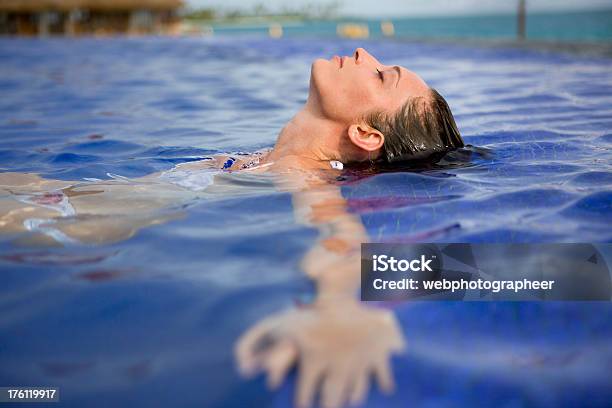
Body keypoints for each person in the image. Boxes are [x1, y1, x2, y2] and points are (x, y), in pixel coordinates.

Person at [0, 48, 464, 407]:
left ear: (366, 135)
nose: (366, 56)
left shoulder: (302, 176)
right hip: (64, 198)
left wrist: (346, 312)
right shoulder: (263, 160)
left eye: (383, 76)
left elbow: (339, 240)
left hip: (72, 225)